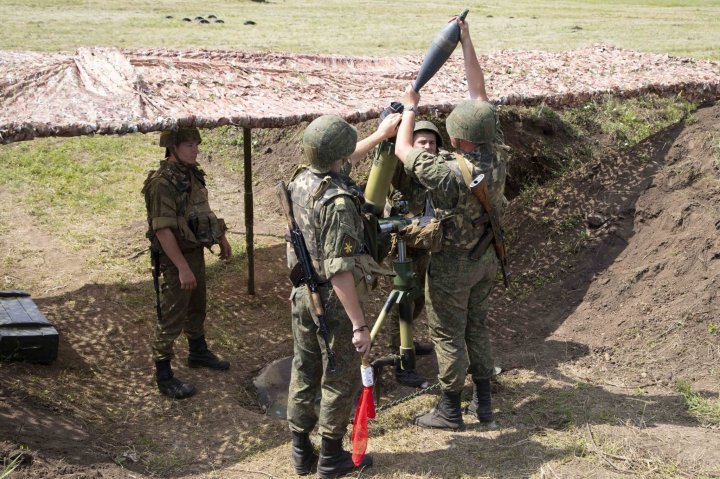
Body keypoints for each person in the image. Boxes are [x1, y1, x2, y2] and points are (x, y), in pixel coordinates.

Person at [394, 17, 506, 430]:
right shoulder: (497, 154)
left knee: (446, 334)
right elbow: (479, 94)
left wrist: (410, 106)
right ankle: (486, 406)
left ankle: (450, 410)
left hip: (453, 266)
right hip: (485, 258)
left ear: (455, 140)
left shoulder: (444, 171)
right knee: (477, 327)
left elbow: (404, 147)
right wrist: (467, 41)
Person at [286, 113, 400, 477]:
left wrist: (380, 134)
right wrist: (359, 325)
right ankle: (331, 458)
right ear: (337, 156)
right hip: (332, 302)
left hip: (302, 294)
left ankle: (301, 450)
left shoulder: (303, 180)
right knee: (338, 375)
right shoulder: (337, 202)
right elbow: (340, 271)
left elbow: (344, 160)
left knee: (304, 368)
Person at [142, 127, 232, 400]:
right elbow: (163, 230)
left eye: (196, 144)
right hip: (174, 257)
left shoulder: (190, 173)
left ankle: (197, 351)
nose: (195, 149)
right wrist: (181, 267)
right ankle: (164, 373)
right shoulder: (161, 183)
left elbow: (202, 209)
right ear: (173, 148)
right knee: (172, 314)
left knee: (197, 304)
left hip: (193, 251)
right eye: (189, 145)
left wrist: (222, 238)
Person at [384, 120, 444, 387]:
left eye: (432, 142)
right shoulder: (402, 170)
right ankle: (401, 357)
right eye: (422, 142)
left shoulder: (438, 169)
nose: (428, 147)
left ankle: (406, 342)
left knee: (419, 297)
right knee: (403, 302)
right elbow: (389, 162)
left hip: (427, 244)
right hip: (403, 246)